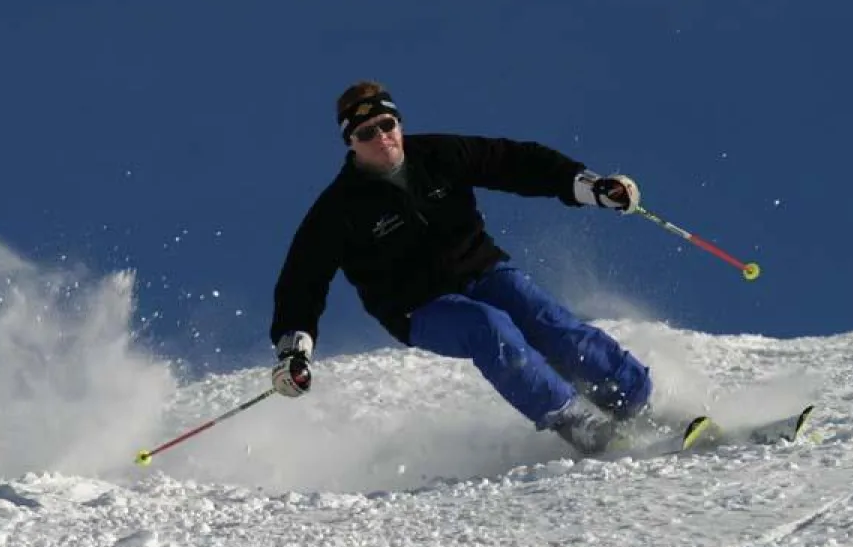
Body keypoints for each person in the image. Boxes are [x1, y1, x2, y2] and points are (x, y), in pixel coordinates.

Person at [269, 80, 653, 455]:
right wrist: (294, 350)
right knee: (488, 328)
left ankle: (638, 402)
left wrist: (589, 186)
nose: (382, 137)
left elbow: (514, 162)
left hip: (482, 271)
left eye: (387, 125)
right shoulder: (338, 209)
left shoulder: (438, 155)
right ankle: (577, 421)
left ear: (399, 123)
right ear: (351, 143)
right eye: (367, 132)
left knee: (548, 321)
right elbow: (303, 280)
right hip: (417, 306)